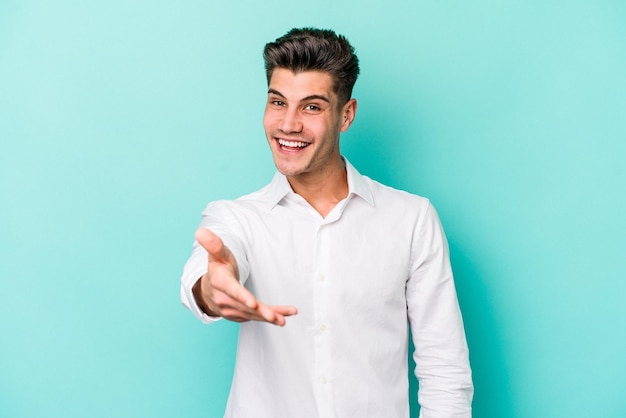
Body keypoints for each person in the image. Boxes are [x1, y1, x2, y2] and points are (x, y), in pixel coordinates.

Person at [180, 27, 473, 418]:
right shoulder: (237, 217)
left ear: (346, 115)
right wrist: (213, 291)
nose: (288, 124)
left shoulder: (411, 219)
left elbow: (444, 370)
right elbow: (209, 269)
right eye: (278, 102)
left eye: (312, 107)